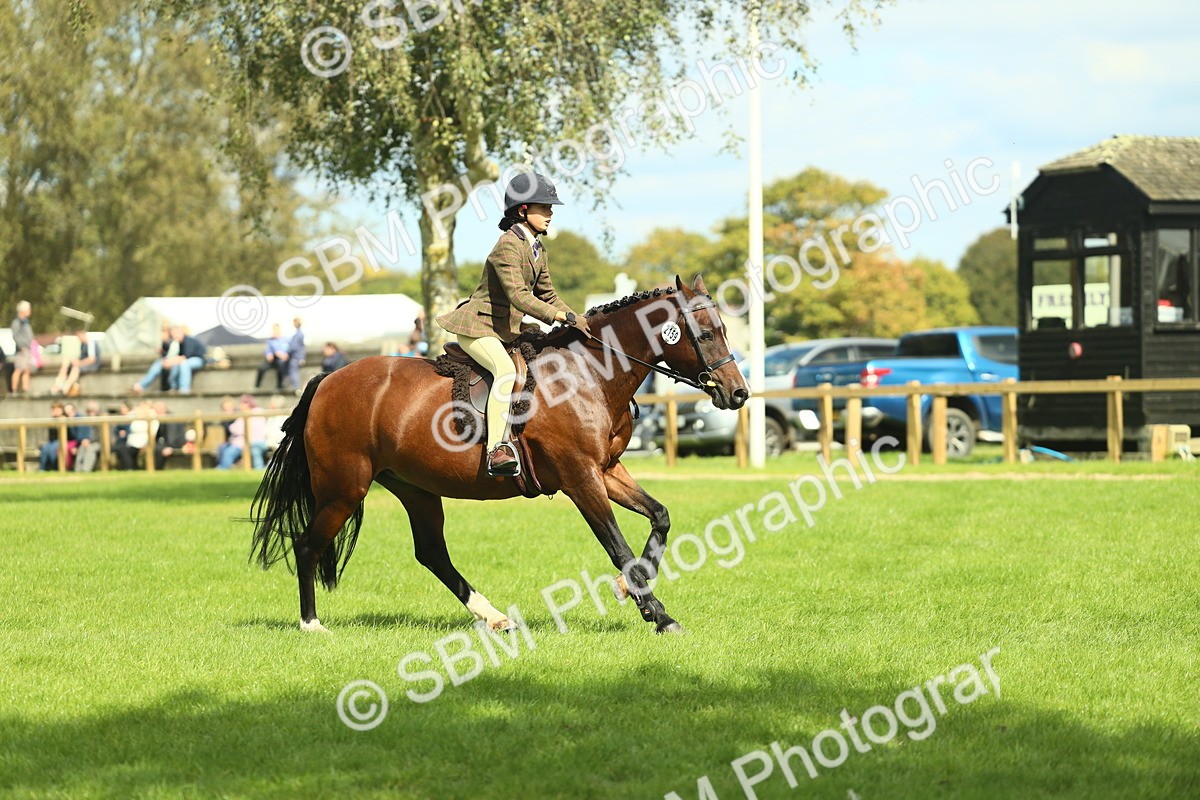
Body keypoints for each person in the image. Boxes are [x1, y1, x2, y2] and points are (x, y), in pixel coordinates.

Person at [435, 172, 589, 476]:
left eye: (550, 208)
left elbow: (548, 294)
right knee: (505, 371)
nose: (550, 213)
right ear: (522, 210)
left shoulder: (537, 249)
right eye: (544, 207)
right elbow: (519, 296)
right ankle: (496, 449)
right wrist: (558, 317)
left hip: (504, 330)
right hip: (478, 327)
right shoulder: (507, 245)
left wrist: (579, 320)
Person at [132, 325, 206, 394]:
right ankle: (142, 385)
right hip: (183, 360)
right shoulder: (177, 343)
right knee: (160, 363)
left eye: (175, 333)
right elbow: (171, 355)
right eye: (172, 334)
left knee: (184, 364)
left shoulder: (189, 341)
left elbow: (184, 357)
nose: (174, 336)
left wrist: (170, 362)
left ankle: (184, 389)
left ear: (180, 332)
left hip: (198, 359)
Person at [216, 394, 268, 469]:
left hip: (251, 441)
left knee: (229, 452)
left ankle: (222, 468)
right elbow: (234, 428)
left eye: (242, 403)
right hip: (242, 442)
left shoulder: (255, 413)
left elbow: (236, 429)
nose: (240, 406)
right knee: (224, 448)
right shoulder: (241, 415)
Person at [52, 328, 102, 395]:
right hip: (83, 364)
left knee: (76, 368)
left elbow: (92, 359)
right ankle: (57, 386)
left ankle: (66, 388)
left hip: (93, 365)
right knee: (65, 364)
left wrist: (80, 363)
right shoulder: (82, 344)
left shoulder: (91, 343)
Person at [256, 323, 290, 389]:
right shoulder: (270, 341)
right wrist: (269, 354)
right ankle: (257, 385)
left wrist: (283, 354)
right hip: (272, 359)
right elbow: (267, 351)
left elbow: (288, 351)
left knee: (281, 368)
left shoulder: (285, 340)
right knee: (261, 368)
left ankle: (280, 385)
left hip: (280, 360)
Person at [11, 301, 34, 396]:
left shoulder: (25, 322)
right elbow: (15, 335)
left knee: (26, 369)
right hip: (21, 350)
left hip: (27, 349)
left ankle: (25, 388)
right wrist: (22, 346)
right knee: (19, 369)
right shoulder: (17, 322)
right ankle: (14, 390)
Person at [73, 400, 103, 472]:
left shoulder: (101, 419)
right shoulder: (84, 420)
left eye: (93, 410)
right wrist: (83, 440)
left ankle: (85, 470)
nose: (91, 412)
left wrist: (89, 440)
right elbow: (80, 434)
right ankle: (77, 470)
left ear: (97, 410)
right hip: (85, 442)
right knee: (81, 449)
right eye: (89, 410)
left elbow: (100, 436)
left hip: (98, 443)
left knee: (90, 449)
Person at [38, 401, 68, 471]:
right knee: (45, 448)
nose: (54, 411)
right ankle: (42, 469)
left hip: (61, 441)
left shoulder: (64, 418)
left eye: (56, 409)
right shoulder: (52, 420)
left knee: (53, 449)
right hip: (52, 441)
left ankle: (55, 468)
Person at [286, 317, 306, 389]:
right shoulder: (299, 334)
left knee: (293, 372)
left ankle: (296, 387)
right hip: (298, 357)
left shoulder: (298, 334)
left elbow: (295, 347)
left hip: (296, 357)